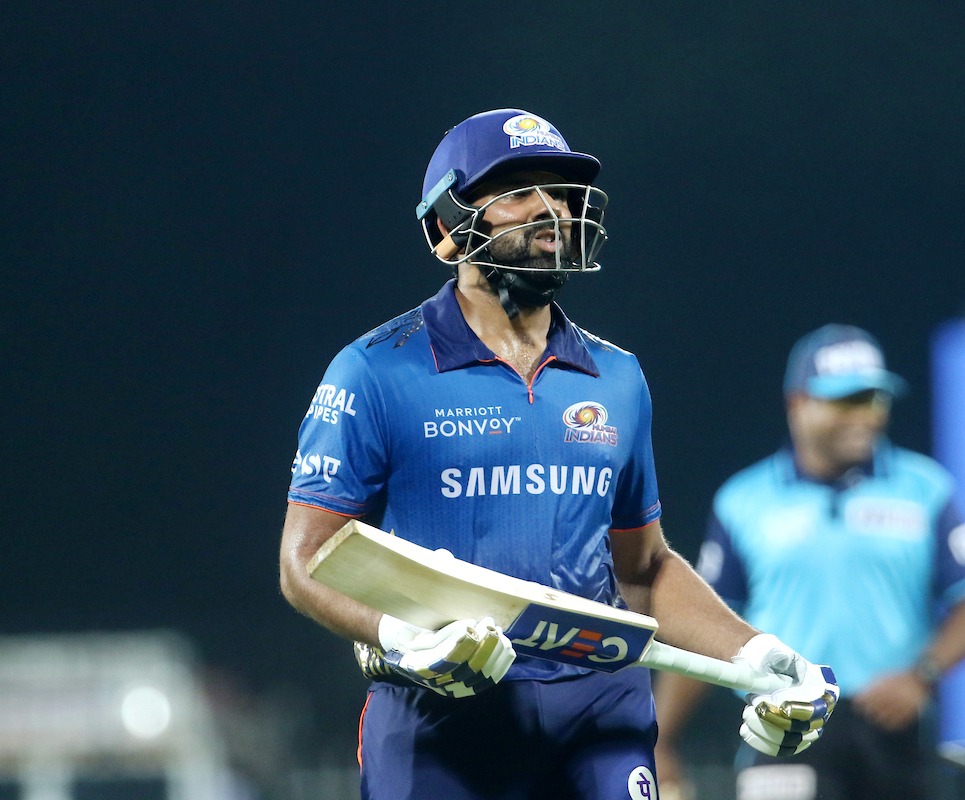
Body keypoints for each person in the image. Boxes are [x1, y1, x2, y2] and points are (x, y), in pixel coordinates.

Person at [277, 108, 838, 800]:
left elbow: (643, 569)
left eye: (563, 193)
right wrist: (401, 637)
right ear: (445, 229)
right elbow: (304, 562)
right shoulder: (372, 371)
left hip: (598, 710)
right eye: (518, 191)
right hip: (439, 712)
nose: (551, 210)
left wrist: (756, 652)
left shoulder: (618, 377)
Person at [654, 324, 965, 800]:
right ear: (798, 403)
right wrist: (662, 735)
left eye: (874, 400)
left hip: (892, 727)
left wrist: (922, 676)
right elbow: (704, 619)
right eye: (846, 400)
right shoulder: (744, 500)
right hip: (782, 717)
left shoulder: (925, 488)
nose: (865, 416)